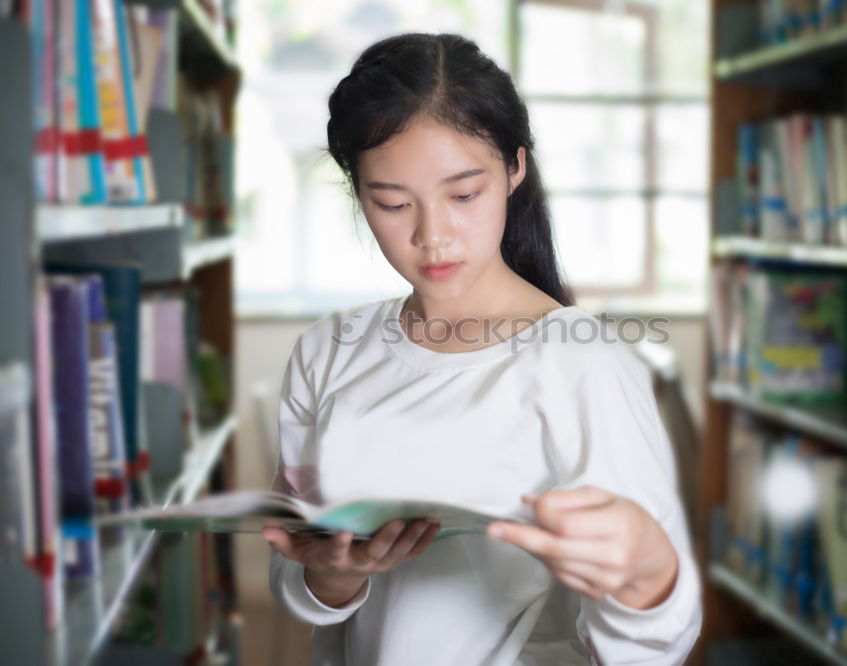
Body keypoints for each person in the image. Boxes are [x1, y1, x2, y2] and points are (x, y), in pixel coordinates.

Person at [260, 32, 702, 666]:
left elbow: (656, 644)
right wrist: (332, 575)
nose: (432, 235)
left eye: (464, 195)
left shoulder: (583, 363)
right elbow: (301, 586)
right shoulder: (328, 351)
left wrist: (650, 577)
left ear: (515, 169)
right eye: (391, 202)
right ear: (357, 190)